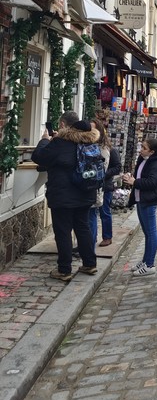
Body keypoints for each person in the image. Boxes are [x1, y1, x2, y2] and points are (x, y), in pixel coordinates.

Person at [32, 112, 99, 282]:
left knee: (63, 232)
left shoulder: (60, 143)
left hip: (63, 196)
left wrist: (45, 140)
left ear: (63, 125)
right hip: (85, 193)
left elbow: (38, 157)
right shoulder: (89, 141)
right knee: (83, 228)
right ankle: (90, 264)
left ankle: (64, 270)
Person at [123, 137, 157, 276]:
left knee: (151, 232)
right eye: (141, 147)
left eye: (144, 148)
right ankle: (145, 260)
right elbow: (139, 176)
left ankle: (149, 264)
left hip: (149, 199)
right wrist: (132, 178)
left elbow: (153, 182)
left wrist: (134, 182)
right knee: (147, 232)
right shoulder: (143, 159)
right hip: (140, 198)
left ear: (152, 151)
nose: (141, 150)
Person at [89, 118, 122, 248]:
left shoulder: (109, 148)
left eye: (93, 128)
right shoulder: (88, 146)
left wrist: (103, 174)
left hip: (105, 185)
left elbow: (117, 166)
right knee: (91, 213)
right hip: (92, 186)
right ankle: (90, 240)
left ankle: (107, 237)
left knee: (104, 212)